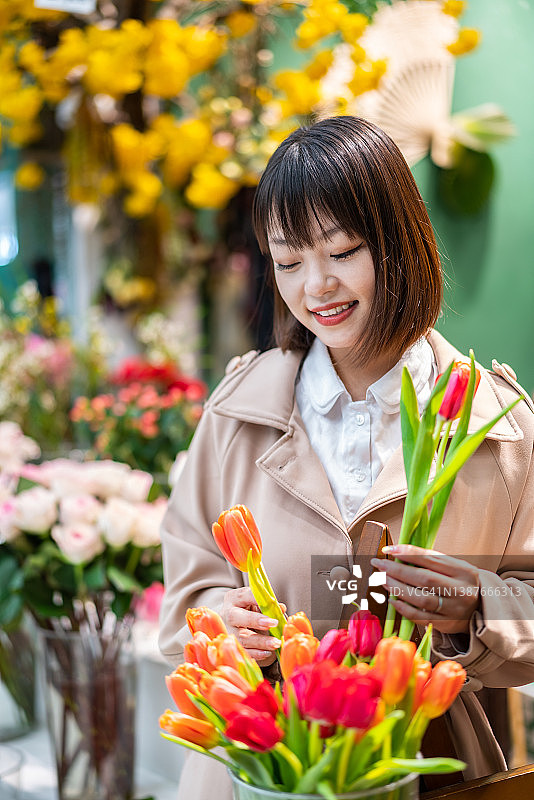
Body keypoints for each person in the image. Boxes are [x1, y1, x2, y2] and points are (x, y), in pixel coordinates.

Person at [158, 116, 534, 800]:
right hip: (260, 767)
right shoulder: (237, 413)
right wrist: (224, 623)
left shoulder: (495, 423)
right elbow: (185, 594)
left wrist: (477, 606)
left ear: (400, 242)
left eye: (342, 250)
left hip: (427, 761)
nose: (316, 287)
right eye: (289, 259)